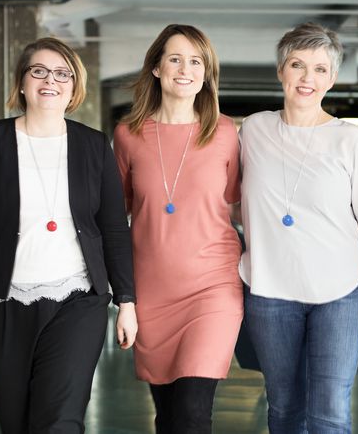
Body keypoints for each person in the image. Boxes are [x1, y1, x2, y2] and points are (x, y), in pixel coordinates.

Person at [0, 37, 137, 434]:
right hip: (6, 300)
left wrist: (127, 300)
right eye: (40, 71)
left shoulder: (93, 145)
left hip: (78, 299)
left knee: (60, 419)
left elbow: (114, 228)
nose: (51, 80)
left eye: (63, 73)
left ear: (74, 86)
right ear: (22, 82)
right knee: (15, 418)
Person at [239, 22, 358, 433]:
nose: (308, 78)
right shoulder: (252, 130)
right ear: (280, 71)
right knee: (284, 406)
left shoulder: (351, 139)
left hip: (340, 293)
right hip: (270, 292)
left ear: (333, 77)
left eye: (320, 69)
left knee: (330, 411)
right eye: (297, 65)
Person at [113, 24, 242, 434]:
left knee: (191, 414)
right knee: (168, 417)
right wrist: (124, 299)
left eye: (196, 61)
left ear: (206, 73)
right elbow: (116, 218)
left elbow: (243, 206)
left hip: (213, 288)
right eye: (175, 59)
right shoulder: (128, 135)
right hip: (151, 293)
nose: (185, 69)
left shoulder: (224, 132)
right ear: (156, 67)